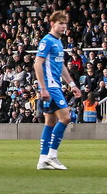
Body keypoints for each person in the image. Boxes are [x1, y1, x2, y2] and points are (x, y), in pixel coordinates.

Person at [34, 10, 82, 171]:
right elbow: (37, 64)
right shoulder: (47, 41)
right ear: (52, 24)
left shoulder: (59, 42)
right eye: (60, 23)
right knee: (66, 117)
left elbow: (60, 66)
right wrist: (43, 88)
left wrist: (72, 84)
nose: (63, 27)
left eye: (65, 24)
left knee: (50, 122)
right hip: (51, 86)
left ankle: (42, 159)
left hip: (55, 85)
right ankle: (52, 156)